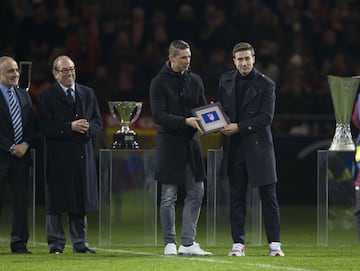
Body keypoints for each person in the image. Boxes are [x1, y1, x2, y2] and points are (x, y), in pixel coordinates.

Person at [218, 42, 284, 256]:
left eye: (248, 58)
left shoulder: (267, 85)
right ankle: (238, 243)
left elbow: (266, 118)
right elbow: (223, 109)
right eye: (240, 59)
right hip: (234, 148)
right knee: (237, 197)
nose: (244, 63)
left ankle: (275, 244)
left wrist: (239, 127)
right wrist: (215, 118)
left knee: (268, 196)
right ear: (234, 61)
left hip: (259, 148)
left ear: (254, 59)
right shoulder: (225, 80)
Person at [149, 40, 212, 256]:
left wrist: (211, 118)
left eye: (189, 57)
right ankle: (169, 242)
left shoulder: (195, 80)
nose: (187, 61)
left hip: (191, 145)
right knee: (169, 195)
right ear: (171, 58)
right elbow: (158, 115)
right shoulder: (158, 82)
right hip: (169, 144)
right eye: (183, 57)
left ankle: (188, 242)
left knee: (197, 191)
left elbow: (202, 107)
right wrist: (185, 121)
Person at [37, 55, 103, 254]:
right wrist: (69, 127)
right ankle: (56, 243)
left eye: (72, 69)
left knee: (79, 200)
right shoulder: (46, 96)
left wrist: (89, 127)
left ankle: (80, 243)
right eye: (64, 70)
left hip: (83, 155)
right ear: (56, 74)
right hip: (58, 157)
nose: (69, 73)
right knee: (56, 202)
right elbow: (44, 127)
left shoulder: (88, 93)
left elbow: (98, 122)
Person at [0, 56, 34, 254]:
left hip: (22, 158)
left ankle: (19, 243)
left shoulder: (24, 95)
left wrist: (25, 144)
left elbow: (30, 125)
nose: (15, 74)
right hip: (3, 156)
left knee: (21, 203)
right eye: (9, 71)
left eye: (16, 70)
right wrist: (11, 146)